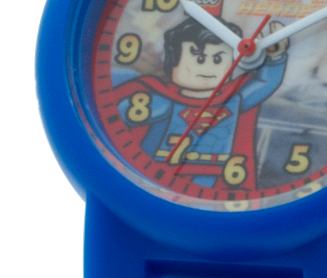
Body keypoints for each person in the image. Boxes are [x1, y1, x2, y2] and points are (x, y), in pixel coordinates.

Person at [112, 15, 288, 190]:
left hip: (217, 171)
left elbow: (265, 82)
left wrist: (275, 56)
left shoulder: (234, 100)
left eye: (218, 59)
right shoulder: (164, 100)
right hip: (166, 169)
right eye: (200, 59)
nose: (208, 68)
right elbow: (124, 113)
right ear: (173, 63)